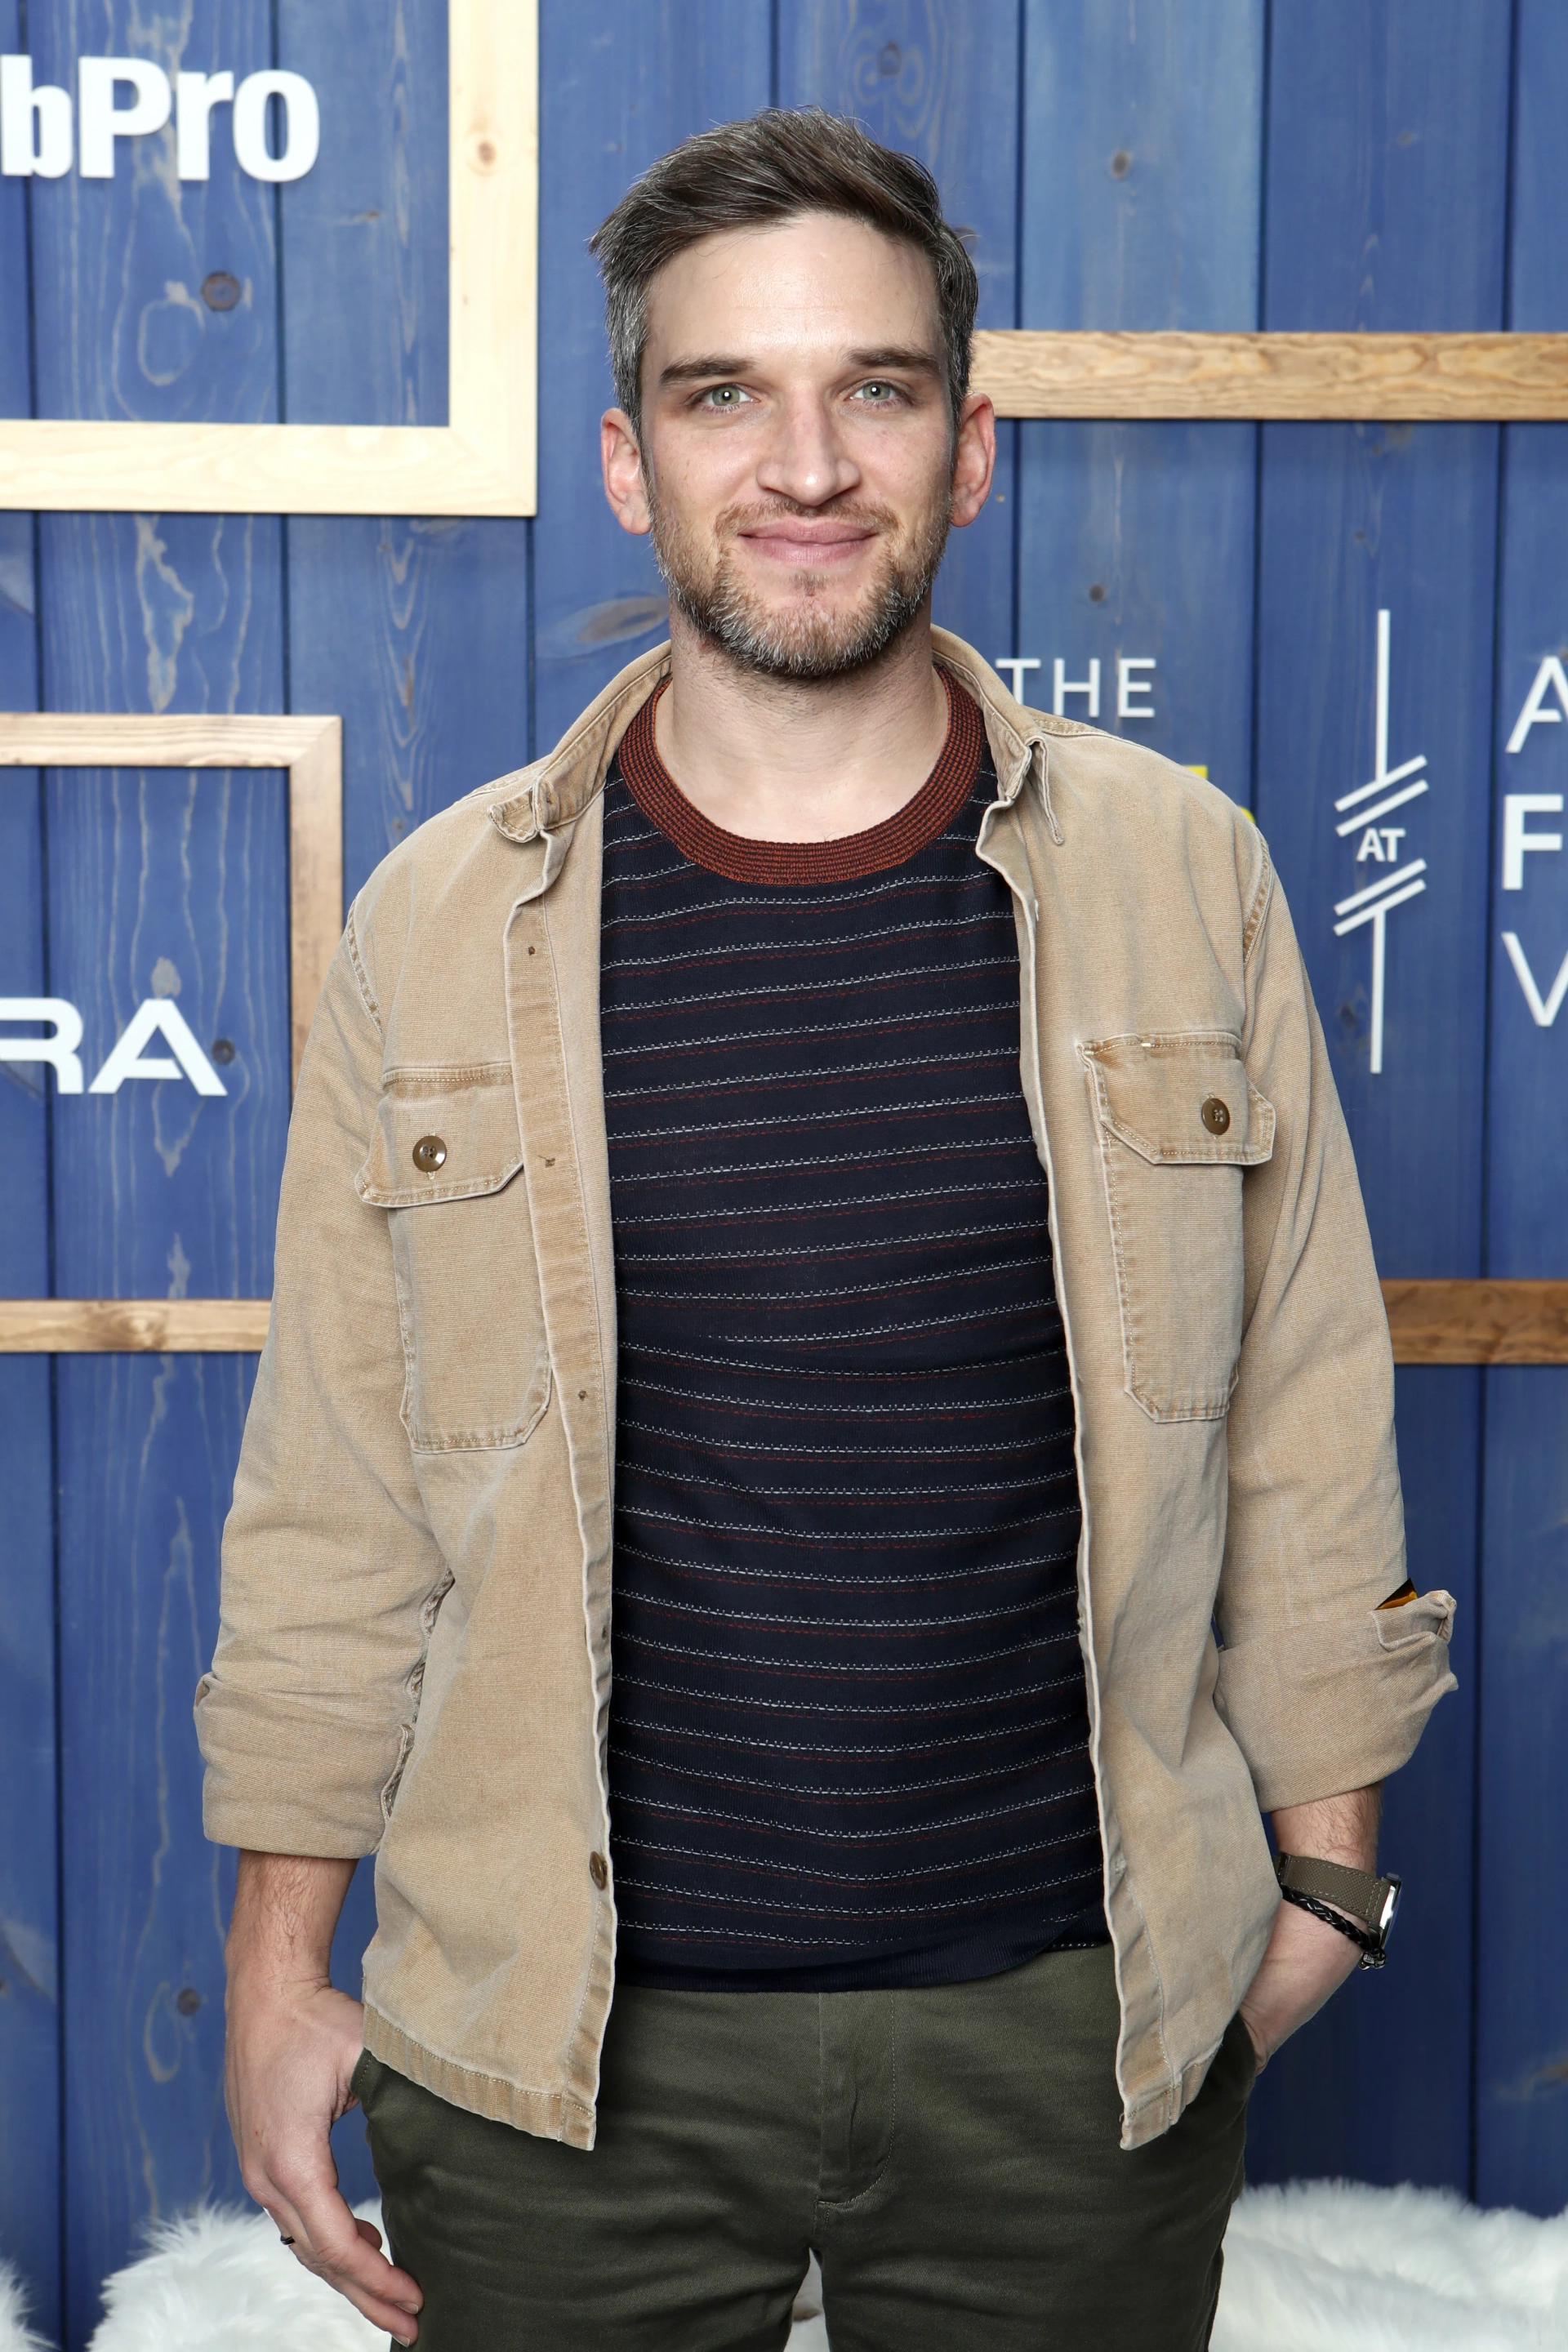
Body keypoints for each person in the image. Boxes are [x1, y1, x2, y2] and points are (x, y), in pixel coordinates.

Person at [197, 109, 1456, 2352]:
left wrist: (1326, 1886)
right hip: (559, 2065)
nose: (802, 463)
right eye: (722, 396)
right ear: (628, 461)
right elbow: (340, 1498)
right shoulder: (443, 920)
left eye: (871, 388)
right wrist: (283, 1969)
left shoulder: (1187, 873)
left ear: (969, 450)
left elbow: (1300, 1406)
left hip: (1070, 2046)